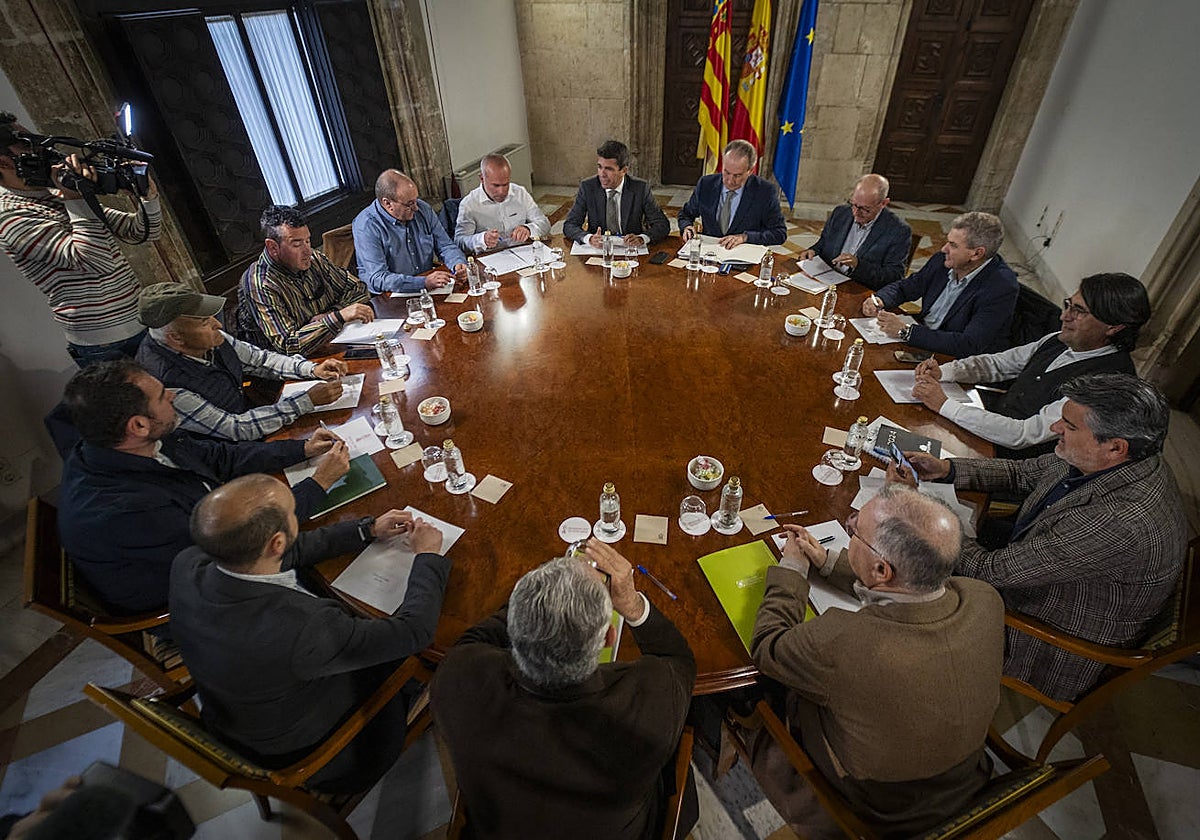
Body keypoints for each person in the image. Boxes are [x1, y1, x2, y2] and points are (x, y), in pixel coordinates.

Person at [905, 373, 1188, 702]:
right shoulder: (1111, 457)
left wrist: (929, 512)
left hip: (1044, 635)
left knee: (896, 583)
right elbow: (1022, 472)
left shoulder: (1120, 522)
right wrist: (948, 469)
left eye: (1069, 426)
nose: (1055, 428)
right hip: (1034, 565)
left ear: (1115, 447)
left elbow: (989, 571)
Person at [170, 474, 451, 794]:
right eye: (293, 513)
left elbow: (287, 552)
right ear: (277, 542)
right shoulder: (303, 629)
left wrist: (367, 530)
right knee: (427, 656)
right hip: (332, 753)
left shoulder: (190, 563)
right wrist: (428, 556)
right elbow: (414, 632)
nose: (296, 519)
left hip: (239, 719)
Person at [750, 486, 1003, 838]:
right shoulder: (983, 597)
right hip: (963, 775)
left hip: (879, 805)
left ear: (882, 569)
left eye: (855, 532)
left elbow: (768, 646)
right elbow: (906, 589)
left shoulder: (842, 641)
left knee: (753, 692)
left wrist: (793, 567)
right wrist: (828, 562)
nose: (850, 528)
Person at [431, 540, 697, 839]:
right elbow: (678, 660)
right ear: (608, 638)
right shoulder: (652, 700)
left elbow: (474, 640)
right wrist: (633, 605)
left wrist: (542, 596)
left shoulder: (458, 680)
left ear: (515, 630)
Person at [57, 360, 347, 613]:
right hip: (204, 601)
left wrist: (301, 449)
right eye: (162, 396)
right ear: (139, 426)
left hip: (220, 543)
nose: (172, 396)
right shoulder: (126, 509)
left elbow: (220, 457)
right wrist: (318, 483)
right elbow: (240, 546)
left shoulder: (130, 441)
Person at [911, 272, 1151, 457]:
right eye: (1068, 305)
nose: (1064, 316)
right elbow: (999, 364)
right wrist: (947, 371)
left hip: (1010, 460)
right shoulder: (1059, 339)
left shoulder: (1108, 384)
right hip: (987, 425)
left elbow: (1023, 434)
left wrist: (944, 405)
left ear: (1113, 327)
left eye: (1079, 311)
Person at [0, 112, 161, 366]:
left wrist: (147, 196)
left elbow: (142, 231)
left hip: (136, 319)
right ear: (3, 163)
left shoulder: (51, 193)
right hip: (106, 342)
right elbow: (97, 261)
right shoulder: (11, 216)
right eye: (27, 145)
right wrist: (75, 197)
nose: (41, 150)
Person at [135, 282, 348, 441]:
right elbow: (234, 429)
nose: (218, 324)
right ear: (176, 338)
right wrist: (306, 401)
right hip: (228, 458)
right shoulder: (163, 385)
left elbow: (259, 360)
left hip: (254, 422)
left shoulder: (209, 337)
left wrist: (311, 369)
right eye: (204, 322)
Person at [861, 211, 1018, 357]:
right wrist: (880, 299)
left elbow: (969, 344)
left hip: (953, 357)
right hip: (922, 338)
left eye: (953, 245)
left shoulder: (1001, 288)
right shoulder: (943, 260)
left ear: (977, 253)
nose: (944, 249)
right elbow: (908, 287)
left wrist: (906, 331)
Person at [237, 205, 373, 356]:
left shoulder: (314, 258)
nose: (307, 251)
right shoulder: (261, 283)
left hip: (331, 343)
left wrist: (333, 313)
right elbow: (288, 346)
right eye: (296, 244)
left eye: (308, 241)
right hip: (287, 364)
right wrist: (338, 317)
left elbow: (359, 289)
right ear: (273, 247)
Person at [353, 169, 468, 293]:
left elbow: (445, 246)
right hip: (389, 294)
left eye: (416, 200)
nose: (416, 207)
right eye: (409, 204)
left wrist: (457, 263)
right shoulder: (366, 226)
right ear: (388, 203)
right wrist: (422, 283)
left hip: (427, 286)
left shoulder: (423, 209)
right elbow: (379, 278)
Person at [797, 174, 912, 290]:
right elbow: (823, 244)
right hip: (825, 283)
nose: (856, 213)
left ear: (883, 203)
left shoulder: (898, 231)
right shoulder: (840, 213)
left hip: (859, 290)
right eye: (853, 204)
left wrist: (858, 265)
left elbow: (894, 277)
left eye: (865, 209)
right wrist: (812, 251)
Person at [678, 139, 786, 247]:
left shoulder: (765, 192)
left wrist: (745, 237)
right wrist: (686, 227)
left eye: (737, 175)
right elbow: (685, 214)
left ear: (750, 171)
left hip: (744, 253)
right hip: (709, 252)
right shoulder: (706, 184)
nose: (730, 181)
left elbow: (779, 233)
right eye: (726, 172)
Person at [563, 140, 670, 248]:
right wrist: (589, 238)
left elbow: (662, 224)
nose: (602, 174)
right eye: (600, 167)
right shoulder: (588, 187)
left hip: (631, 250)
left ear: (624, 170)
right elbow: (570, 225)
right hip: (598, 250)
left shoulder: (640, 188)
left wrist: (642, 238)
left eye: (608, 169)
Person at [454, 153, 550, 255]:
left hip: (523, 252)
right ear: (482, 178)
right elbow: (459, 241)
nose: (502, 191)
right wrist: (481, 239)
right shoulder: (469, 204)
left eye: (505, 184)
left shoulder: (520, 193)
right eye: (496, 185)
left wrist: (528, 229)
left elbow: (544, 224)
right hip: (490, 257)